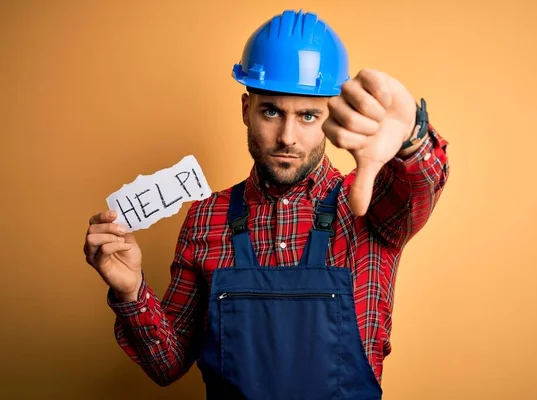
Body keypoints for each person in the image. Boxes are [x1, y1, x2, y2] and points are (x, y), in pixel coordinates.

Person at [84, 9, 450, 400]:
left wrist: (412, 136)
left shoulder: (370, 207)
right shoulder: (207, 217)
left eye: (308, 115)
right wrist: (130, 291)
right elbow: (168, 365)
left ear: (330, 117)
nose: (287, 137)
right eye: (271, 111)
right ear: (246, 110)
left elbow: (420, 183)